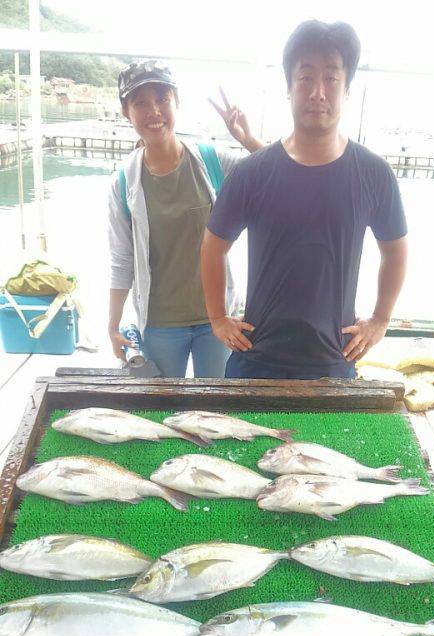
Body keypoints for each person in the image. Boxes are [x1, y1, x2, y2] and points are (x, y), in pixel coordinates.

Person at [201, 20, 408, 379]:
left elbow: (396, 251)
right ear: (289, 87)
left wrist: (379, 320)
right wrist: (218, 318)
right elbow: (212, 246)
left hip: (333, 359)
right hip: (256, 358)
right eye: (306, 77)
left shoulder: (374, 174)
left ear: (346, 89)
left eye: (331, 78)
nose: (318, 92)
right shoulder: (253, 172)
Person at [108, 60, 263, 377]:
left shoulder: (211, 161)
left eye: (162, 99)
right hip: (160, 324)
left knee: (216, 410)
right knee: (165, 411)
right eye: (141, 103)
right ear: (127, 112)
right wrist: (112, 326)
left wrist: (247, 139)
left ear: (177, 102)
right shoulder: (124, 183)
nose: (154, 112)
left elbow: (273, 177)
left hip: (217, 320)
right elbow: (122, 259)